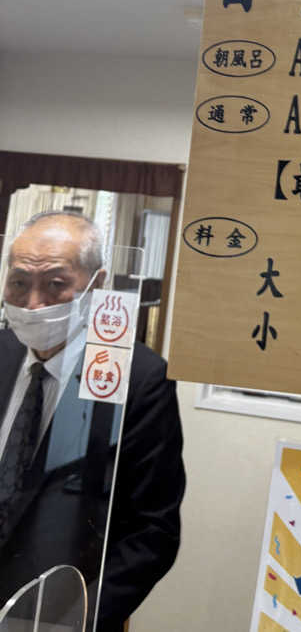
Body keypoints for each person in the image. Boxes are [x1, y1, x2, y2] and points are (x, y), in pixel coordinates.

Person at [0, 211, 185, 631]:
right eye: (19, 283)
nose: (33, 303)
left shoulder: (136, 379)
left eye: (55, 284)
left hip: (57, 613)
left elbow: (152, 531)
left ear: (96, 285)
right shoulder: (2, 352)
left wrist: (78, 618)